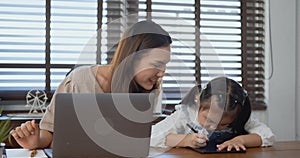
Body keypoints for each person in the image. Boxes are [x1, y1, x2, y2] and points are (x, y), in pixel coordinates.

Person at [10, 20, 172, 149]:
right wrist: (36, 141)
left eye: (165, 65)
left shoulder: (151, 88)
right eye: (157, 64)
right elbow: (50, 132)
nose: (162, 72)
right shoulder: (79, 80)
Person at [151, 77, 275, 151]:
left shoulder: (239, 117)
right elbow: (151, 137)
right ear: (199, 101)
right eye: (208, 119)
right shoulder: (185, 115)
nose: (213, 127)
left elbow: (267, 135)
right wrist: (185, 140)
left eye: (223, 125)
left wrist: (240, 140)